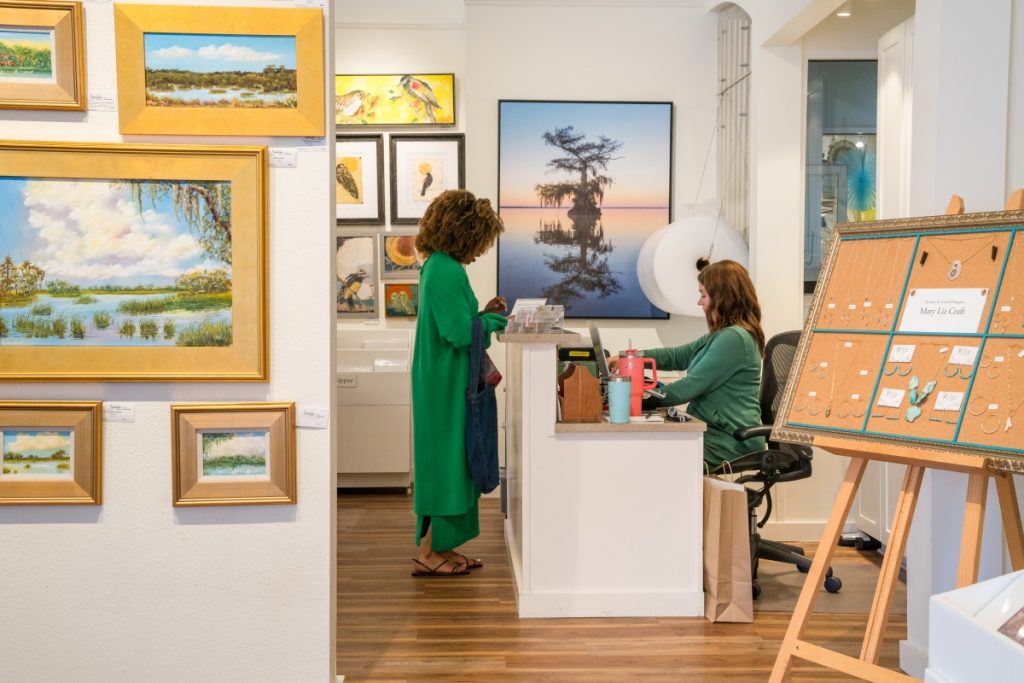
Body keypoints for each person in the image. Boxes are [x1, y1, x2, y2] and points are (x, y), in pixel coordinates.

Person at [410, 189, 508, 576]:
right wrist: (493, 323)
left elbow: (458, 320)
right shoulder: (445, 269)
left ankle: (441, 549)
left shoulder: (441, 265)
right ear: (465, 233)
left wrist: (484, 313)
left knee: (453, 459)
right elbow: (457, 332)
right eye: (480, 241)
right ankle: (429, 554)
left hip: (445, 376)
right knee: (448, 462)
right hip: (445, 381)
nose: (481, 251)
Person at [610, 259, 766, 467]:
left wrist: (639, 398)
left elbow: (687, 389)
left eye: (703, 295)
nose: (699, 302)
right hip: (714, 433)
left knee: (653, 457)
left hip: (730, 441)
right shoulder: (721, 334)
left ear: (723, 298)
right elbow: (678, 356)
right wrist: (630, 358)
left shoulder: (734, 338)